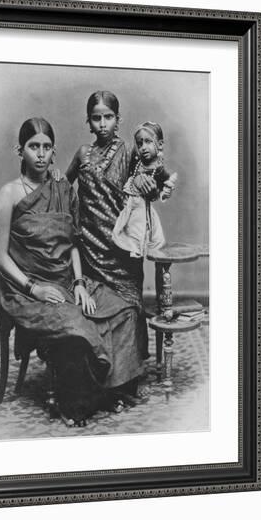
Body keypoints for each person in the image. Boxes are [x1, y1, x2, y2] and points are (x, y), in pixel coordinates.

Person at [0, 117, 141, 426]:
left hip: (66, 279)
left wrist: (78, 284)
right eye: (33, 147)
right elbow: (1, 257)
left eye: (47, 147)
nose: (40, 154)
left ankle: (108, 390)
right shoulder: (9, 194)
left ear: (54, 151)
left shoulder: (61, 187)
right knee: (78, 326)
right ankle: (80, 403)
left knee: (124, 310)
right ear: (19, 150)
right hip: (28, 289)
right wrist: (34, 288)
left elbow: (73, 243)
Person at [65, 91, 153, 402]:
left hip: (120, 250)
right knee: (99, 313)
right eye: (96, 117)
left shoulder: (129, 152)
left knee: (128, 308)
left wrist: (149, 184)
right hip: (89, 250)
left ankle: (126, 378)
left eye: (108, 117)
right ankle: (101, 379)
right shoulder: (83, 154)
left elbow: (148, 179)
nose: (102, 123)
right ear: (88, 121)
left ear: (118, 120)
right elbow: (63, 189)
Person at [112, 121, 177, 257]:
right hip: (129, 207)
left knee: (152, 240)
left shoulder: (159, 171)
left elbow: (161, 194)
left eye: (148, 142)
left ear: (159, 144)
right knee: (123, 234)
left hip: (143, 211)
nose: (143, 147)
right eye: (140, 143)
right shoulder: (136, 163)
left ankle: (162, 271)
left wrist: (163, 192)